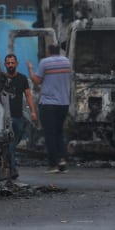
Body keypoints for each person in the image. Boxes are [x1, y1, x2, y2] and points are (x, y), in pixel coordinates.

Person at [27, 44, 71, 173]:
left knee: (49, 134)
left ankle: (53, 164)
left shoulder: (45, 62)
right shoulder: (66, 61)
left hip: (49, 104)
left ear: (48, 51)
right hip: (64, 103)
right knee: (59, 132)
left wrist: (30, 69)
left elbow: (36, 81)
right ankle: (62, 159)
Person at [2, 54, 38, 179]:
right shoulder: (1, 79)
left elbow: (28, 96)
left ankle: (8, 167)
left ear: (16, 64)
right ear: (5, 64)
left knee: (12, 144)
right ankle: (13, 170)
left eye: (12, 63)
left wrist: (33, 112)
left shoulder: (22, 78)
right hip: (5, 118)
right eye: (8, 63)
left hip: (18, 117)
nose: (10, 65)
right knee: (10, 145)